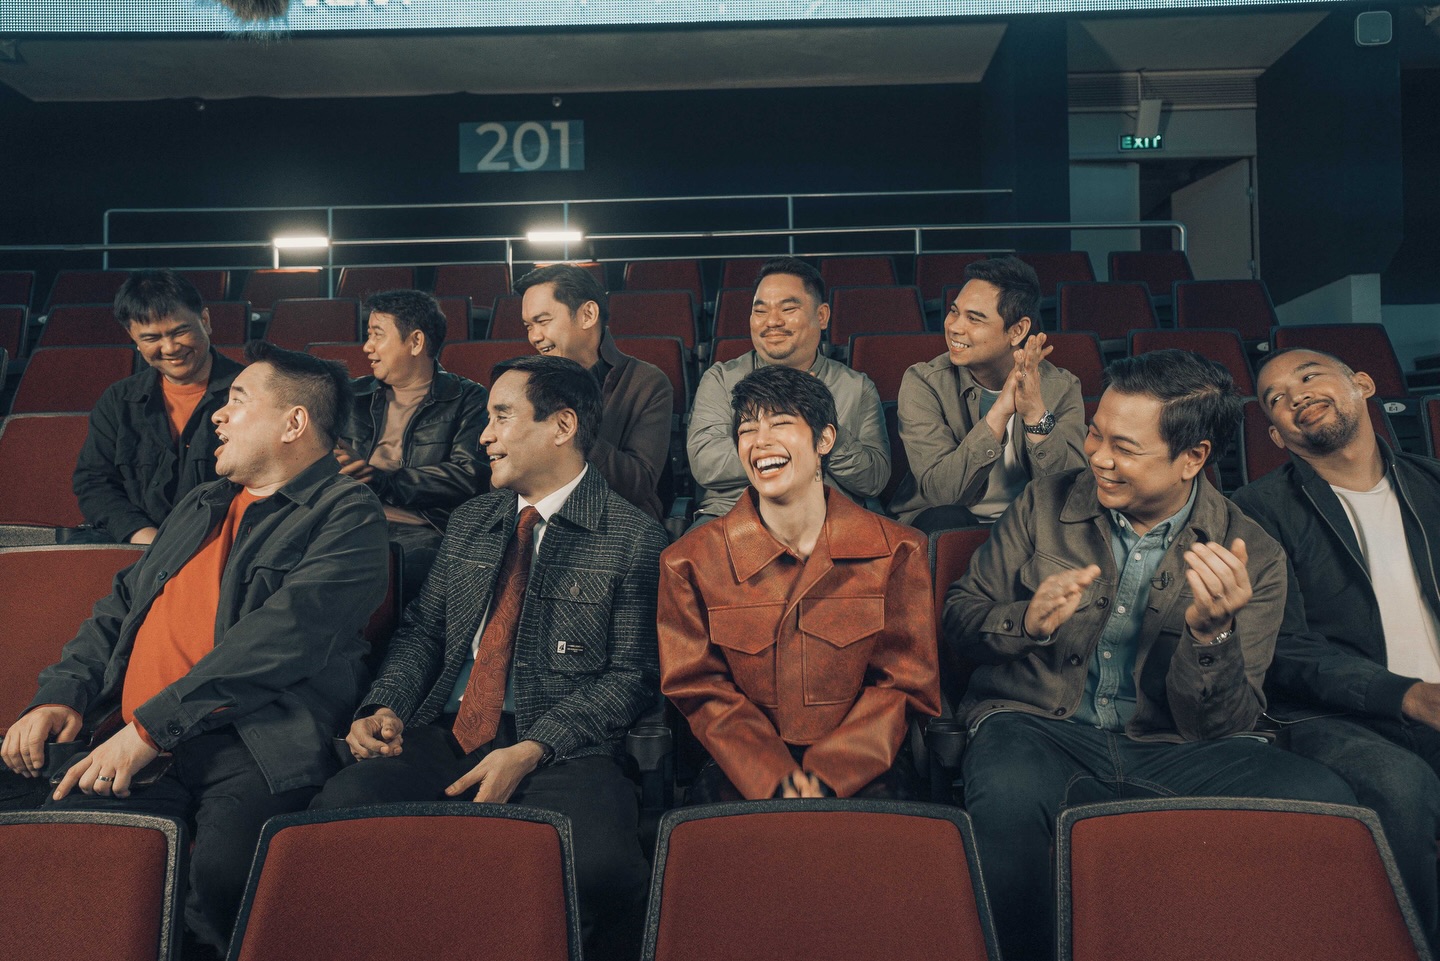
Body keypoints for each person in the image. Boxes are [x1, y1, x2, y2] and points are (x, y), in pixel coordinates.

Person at [945, 348, 1356, 961]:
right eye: (1095, 433)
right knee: (1007, 796)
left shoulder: (1254, 554)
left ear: (1193, 458)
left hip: (1179, 747)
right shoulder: (1041, 503)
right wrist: (1025, 621)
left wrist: (1212, 635)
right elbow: (959, 620)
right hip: (1037, 725)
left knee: (1327, 802)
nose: (1098, 457)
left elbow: (1224, 724)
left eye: (1125, 448)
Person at [3, 342, 389, 958]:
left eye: (238, 400)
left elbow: (280, 641)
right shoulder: (202, 503)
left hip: (248, 740)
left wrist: (150, 730)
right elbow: (118, 609)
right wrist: (60, 696)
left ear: (294, 423)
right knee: (57, 857)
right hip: (135, 732)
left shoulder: (348, 514)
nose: (218, 414)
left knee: (220, 880)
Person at [311, 354, 667, 961]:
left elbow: (631, 677)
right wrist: (385, 705)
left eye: (502, 416)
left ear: (562, 426)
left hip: (562, 745)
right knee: (337, 817)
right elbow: (424, 632)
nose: (484, 436)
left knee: (602, 867)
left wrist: (533, 748)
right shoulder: (471, 521)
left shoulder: (633, 536)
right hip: (446, 731)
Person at [1232, 347, 1440, 946]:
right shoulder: (1256, 511)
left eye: (1308, 376)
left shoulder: (1433, 484)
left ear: (1364, 384)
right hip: (1338, 717)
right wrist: (1409, 695)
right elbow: (1284, 648)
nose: (1295, 395)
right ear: (1276, 435)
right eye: (1275, 398)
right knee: (1401, 787)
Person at [660, 364, 939, 801]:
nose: (760, 442)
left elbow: (904, 685)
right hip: (741, 766)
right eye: (747, 430)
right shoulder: (688, 561)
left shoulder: (899, 550)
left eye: (780, 424)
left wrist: (830, 772)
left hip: (867, 765)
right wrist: (774, 776)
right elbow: (699, 688)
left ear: (825, 440)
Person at [687, 256, 889, 524]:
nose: (772, 321)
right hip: (733, 516)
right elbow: (706, 464)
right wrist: (803, 448)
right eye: (760, 311)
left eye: (788, 309)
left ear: (822, 316)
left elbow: (874, 479)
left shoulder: (855, 386)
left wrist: (826, 427)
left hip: (829, 520)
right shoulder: (722, 380)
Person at [891, 256, 1086, 530]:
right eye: (954, 312)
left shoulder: (1061, 387)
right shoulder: (925, 382)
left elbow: (1071, 494)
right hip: (945, 520)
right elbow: (943, 494)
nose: (954, 327)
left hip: (1026, 523)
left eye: (974, 318)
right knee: (948, 519)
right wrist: (1000, 411)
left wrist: (1035, 415)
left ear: (1017, 330)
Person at [73, 268, 244, 545]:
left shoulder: (254, 393)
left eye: (180, 331)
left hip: (226, 548)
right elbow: (94, 484)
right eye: (152, 338)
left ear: (205, 321)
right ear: (133, 338)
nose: (170, 348)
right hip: (139, 549)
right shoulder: (117, 400)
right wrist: (146, 539)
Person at [334, 289, 489, 588]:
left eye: (377, 335)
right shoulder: (352, 395)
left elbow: (470, 476)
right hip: (346, 518)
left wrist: (383, 481)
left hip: (421, 530)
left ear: (416, 342)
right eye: (368, 335)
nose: (367, 347)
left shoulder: (467, 397)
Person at [515, 263, 673, 521]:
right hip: (538, 518)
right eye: (528, 326)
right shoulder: (525, 384)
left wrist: (570, 431)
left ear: (587, 315)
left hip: (615, 523)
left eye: (543, 321)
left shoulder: (646, 382)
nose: (534, 337)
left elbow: (638, 484)